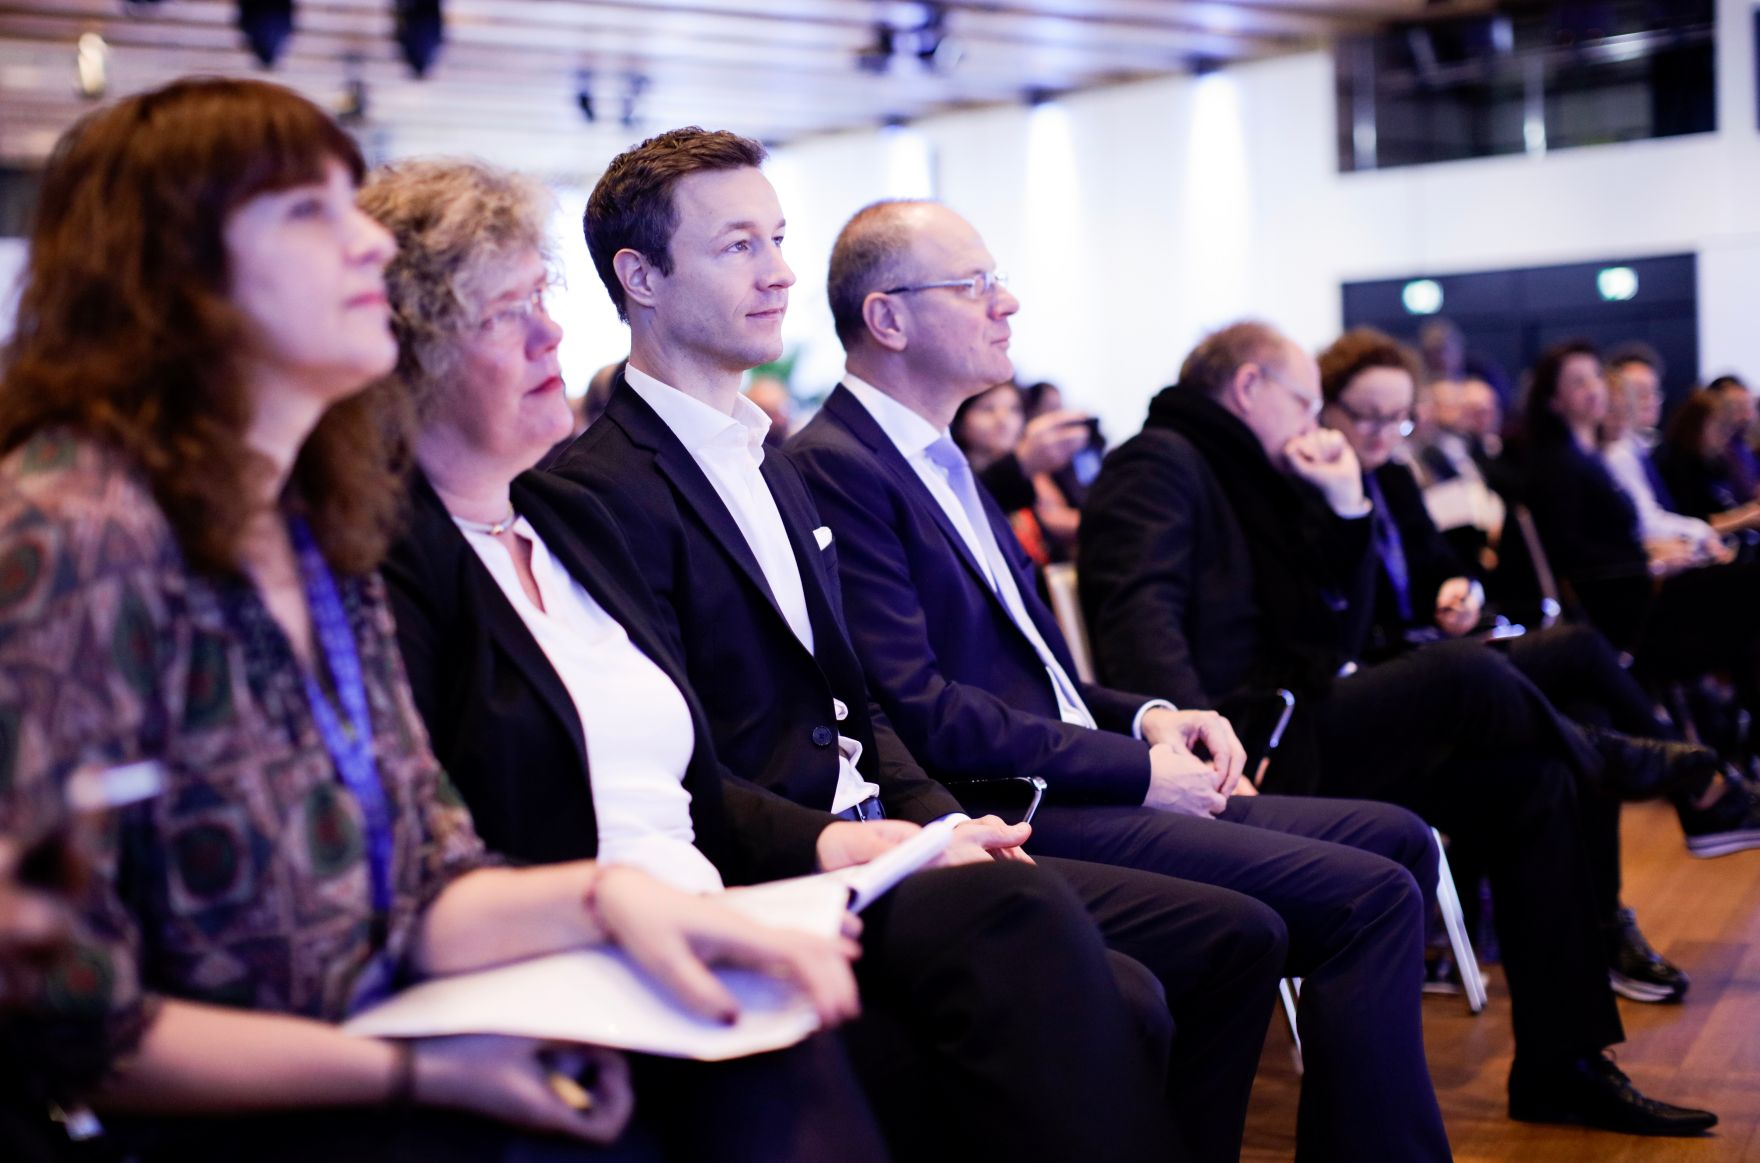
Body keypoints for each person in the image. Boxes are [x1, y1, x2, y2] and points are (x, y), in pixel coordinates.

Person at [0, 78, 878, 1163]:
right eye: (309, 214)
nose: (366, 247)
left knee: (765, 1036)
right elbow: (72, 1027)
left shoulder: (317, 532)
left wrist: (624, 900)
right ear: (173, 277)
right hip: (246, 1106)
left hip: (388, 1030)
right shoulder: (70, 531)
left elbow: (427, 881)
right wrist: (424, 1069)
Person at [364, 156, 1177, 1163]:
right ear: (409, 353)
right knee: (1017, 926)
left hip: (742, 878)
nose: (549, 335)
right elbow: (468, 828)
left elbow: (747, 746)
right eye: (502, 313)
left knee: (1095, 963)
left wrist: (890, 831)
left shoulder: (559, 521)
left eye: (542, 297)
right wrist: (814, 850)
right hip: (628, 925)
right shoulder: (417, 557)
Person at [546, 130, 1290, 1163]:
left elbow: (859, 703)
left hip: (885, 829)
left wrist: (941, 816)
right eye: (736, 247)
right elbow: (679, 757)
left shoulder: (770, 461)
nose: (778, 272)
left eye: (777, 237)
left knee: (1211, 947)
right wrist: (876, 838)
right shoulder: (597, 486)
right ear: (640, 277)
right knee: (1098, 974)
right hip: (784, 862)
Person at [786, 198, 1453, 1162]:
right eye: (974, 285)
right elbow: (921, 709)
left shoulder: (940, 456)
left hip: (1077, 767)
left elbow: (1044, 671)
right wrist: (1136, 771)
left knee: (1395, 840)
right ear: (887, 318)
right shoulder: (840, 466)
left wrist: (1153, 717)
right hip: (1013, 802)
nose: (1005, 302)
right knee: (1365, 897)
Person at [1077, 320, 1720, 1137]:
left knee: (1536, 779)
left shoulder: (1256, 470)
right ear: (1248, 389)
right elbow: (1139, 615)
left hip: (1295, 722)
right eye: (1305, 401)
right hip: (1252, 751)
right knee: (1467, 672)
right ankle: (1630, 759)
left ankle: (1565, 1063)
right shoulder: (1163, 458)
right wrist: (1189, 742)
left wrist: (1346, 508)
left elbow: (1328, 639)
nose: (1314, 422)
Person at [1315, 327, 1754, 998]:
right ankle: (1695, 785)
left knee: (1584, 706)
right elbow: (1337, 620)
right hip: (1385, 681)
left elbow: (1440, 566)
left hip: (1438, 652)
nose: (1380, 433)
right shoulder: (1315, 490)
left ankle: (1607, 918)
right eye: (1364, 415)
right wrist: (1348, 504)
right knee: (1579, 648)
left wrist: (1457, 593)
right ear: (1325, 409)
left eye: (1395, 417)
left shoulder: (1396, 477)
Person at [952, 381, 1079, 563]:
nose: (1003, 419)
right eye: (987, 409)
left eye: (1014, 409)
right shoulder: (957, 482)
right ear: (961, 419)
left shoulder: (1030, 475)